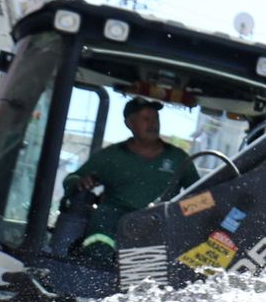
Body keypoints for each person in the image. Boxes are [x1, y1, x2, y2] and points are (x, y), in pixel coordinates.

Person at [63, 98, 198, 261]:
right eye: (146, 119)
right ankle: (96, 268)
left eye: (155, 118)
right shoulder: (111, 156)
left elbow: (200, 192)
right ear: (130, 123)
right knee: (103, 216)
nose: (153, 124)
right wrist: (79, 182)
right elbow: (72, 178)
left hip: (161, 223)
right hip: (115, 222)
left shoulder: (178, 158)